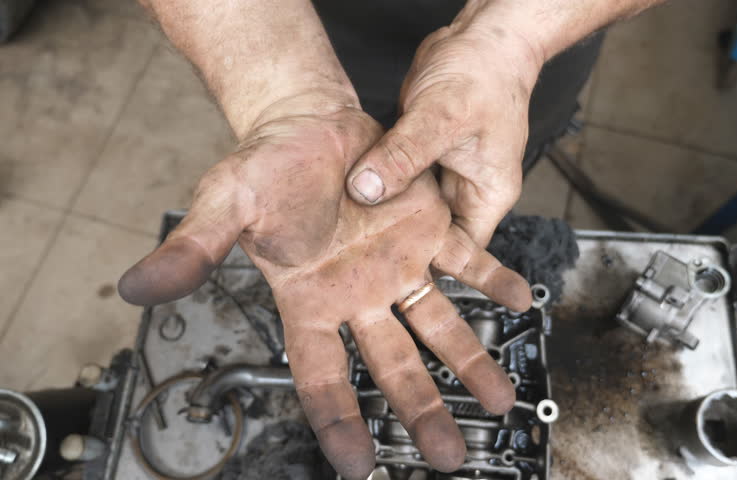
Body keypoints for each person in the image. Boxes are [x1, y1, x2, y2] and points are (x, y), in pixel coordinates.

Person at [118, 1, 666, 478]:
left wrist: (514, 42)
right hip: (305, 32)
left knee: (479, 177)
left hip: (533, 41)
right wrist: (289, 100)